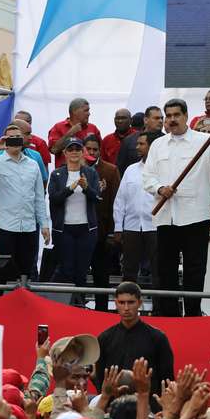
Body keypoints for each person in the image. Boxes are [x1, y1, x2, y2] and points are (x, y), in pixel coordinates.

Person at [142, 99, 210, 317]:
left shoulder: (205, 141)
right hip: (167, 217)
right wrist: (159, 189)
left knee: (195, 270)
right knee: (166, 271)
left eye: (176, 115)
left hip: (196, 216)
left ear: (186, 116)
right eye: (169, 115)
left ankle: (193, 314)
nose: (172, 120)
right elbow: (147, 177)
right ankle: (170, 317)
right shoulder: (158, 145)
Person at [0, 124, 50, 279]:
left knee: (26, 271)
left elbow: (38, 197)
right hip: (4, 225)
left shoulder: (33, 164)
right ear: (5, 140)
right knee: (7, 271)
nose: (15, 140)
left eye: (18, 137)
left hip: (28, 225)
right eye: (11, 138)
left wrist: (44, 224)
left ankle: (23, 301)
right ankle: (7, 301)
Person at [96, 282, 174, 402]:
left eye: (131, 302)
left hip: (150, 408)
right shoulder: (105, 338)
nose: (126, 308)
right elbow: (101, 379)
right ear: (116, 303)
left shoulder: (158, 338)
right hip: (112, 408)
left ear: (139, 303)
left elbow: (167, 378)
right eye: (122, 303)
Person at [48, 137, 101, 295]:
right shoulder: (57, 174)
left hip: (87, 229)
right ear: (64, 152)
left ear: (82, 152)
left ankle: (80, 304)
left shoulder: (90, 173)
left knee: (82, 270)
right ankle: (66, 306)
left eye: (77, 149)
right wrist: (71, 188)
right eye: (70, 149)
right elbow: (54, 198)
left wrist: (86, 188)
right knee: (66, 269)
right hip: (64, 229)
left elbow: (97, 197)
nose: (74, 152)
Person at [113, 131, 162, 286]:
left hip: (156, 227)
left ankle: (158, 309)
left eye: (141, 144)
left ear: (152, 146)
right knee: (129, 271)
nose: (137, 147)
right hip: (131, 227)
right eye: (137, 143)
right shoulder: (131, 170)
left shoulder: (163, 170)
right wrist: (118, 227)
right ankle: (127, 306)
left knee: (158, 271)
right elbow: (120, 200)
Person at [83, 134, 121, 312]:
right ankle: (78, 310)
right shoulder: (72, 169)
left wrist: (113, 232)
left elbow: (117, 203)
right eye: (88, 149)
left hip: (102, 233)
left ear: (100, 151)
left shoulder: (110, 170)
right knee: (78, 276)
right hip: (79, 232)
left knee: (101, 276)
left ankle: (102, 312)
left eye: (95, 149)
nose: (91, 152)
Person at [48, 98, 102, 168]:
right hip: (64, 175)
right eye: (86, 110)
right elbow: (53, 150)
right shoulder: (58, 127)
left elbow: (100, 152)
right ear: (74, 111)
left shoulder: (93, 128)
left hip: (88, 174)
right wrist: (70, 133)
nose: (89, 114)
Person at [117, 106, 164, 175]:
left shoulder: (167, 141)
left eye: (161, 118)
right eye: (156, 118)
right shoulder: (129, 141)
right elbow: (120, 168)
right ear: (145, 120)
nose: (160, 121)